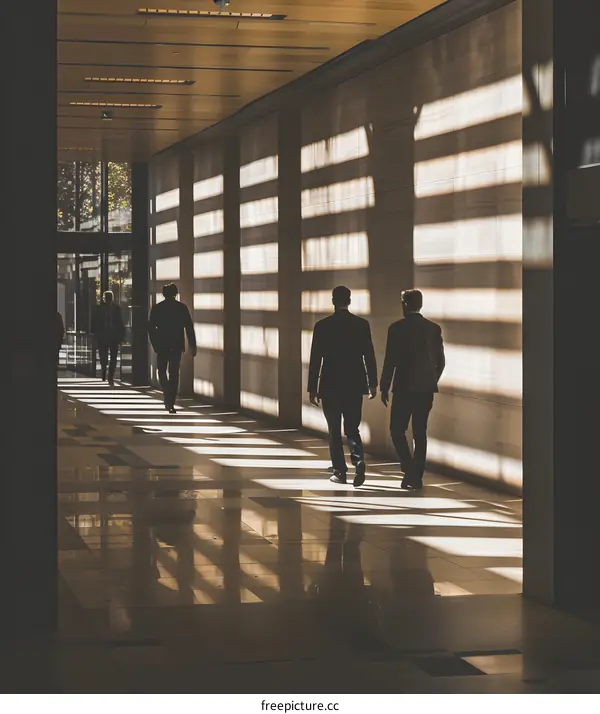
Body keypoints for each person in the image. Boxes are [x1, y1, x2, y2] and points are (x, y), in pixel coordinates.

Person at [307, 285, 377, 487]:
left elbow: (315, 359)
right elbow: (369, 356)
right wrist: (373, 383)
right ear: (349, 301)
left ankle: (340, 471)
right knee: (353, 427)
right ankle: (358, 460)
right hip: (354, 384)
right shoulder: (361, 325)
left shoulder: (323, 326)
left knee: (334, 430)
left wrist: (313, 387)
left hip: (330, 384)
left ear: (333, 301)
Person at [380, 289, 445, 490]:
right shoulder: (433, 329)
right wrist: (431, 380)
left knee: (397, 430)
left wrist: (384, 386)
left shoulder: (396, 328)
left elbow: (390, 361)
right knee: (420, 433)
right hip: (425, 389)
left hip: (403, 388)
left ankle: (409, 469)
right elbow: (441, 362)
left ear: (405, 304)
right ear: (421, 305)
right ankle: (415, 474)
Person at [148, 283, 197, 414]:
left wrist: (155, 344)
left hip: (162, 345)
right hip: (176, 344)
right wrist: (192, 345)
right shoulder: (181, 308)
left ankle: (167, 393)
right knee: (174, 373)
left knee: (162, 371)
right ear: (175, 293)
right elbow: (189, 327)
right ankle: (171, 401)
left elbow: (151, 329)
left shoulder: (158, 308)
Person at [91, 290, 125, 385]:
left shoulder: (117, 308)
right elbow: (94, 321)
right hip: (103, 336)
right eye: (106, 298)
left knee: (113, 357)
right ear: (103, 298)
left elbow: (120, 322)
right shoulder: (98, 308)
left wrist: (121, 335)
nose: (108, 299)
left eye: (109, 298)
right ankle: (104, 369)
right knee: (103, 355)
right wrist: (94, 333)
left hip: (114, 336)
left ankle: (110, 376)